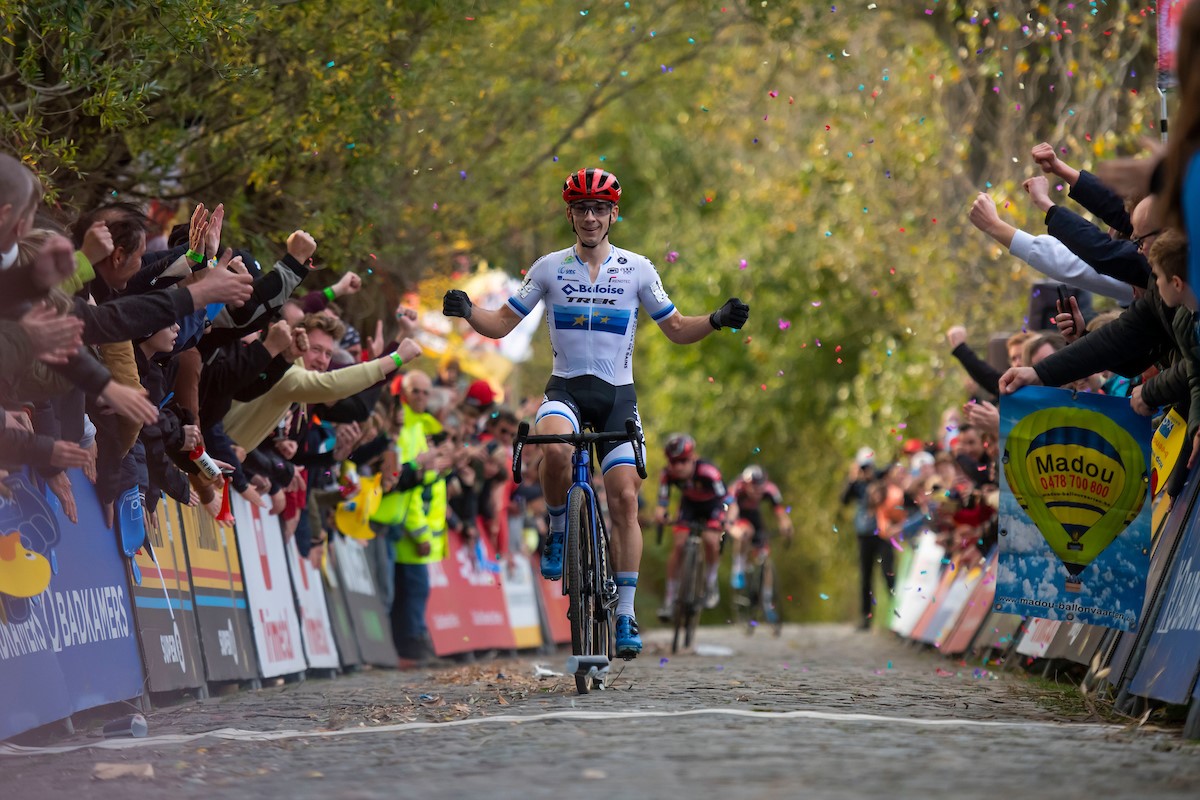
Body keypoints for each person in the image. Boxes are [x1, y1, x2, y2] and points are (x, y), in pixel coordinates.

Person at [442, 167, 749, 657]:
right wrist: (467, 311)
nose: (590, 216)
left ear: (613, 215)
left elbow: (675, 327)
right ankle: (560, 531)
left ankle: (625, 615)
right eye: (582, 208)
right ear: (570, 214)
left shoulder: (638, 269)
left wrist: (714, 320)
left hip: (616, 398)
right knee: (555, 446)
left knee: (626, 500)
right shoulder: (546, 268)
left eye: (599, 208)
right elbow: (501, 323)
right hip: (564, 388)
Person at [653, 433, 730, 620]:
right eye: (673, 461)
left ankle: (710, 584)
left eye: (683, 461)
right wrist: (661, 513)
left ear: (693, 458)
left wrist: (723, 519)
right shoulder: (667, 474)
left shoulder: (708, 472)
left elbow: (726, 499)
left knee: (711, 541)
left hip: (713, 506)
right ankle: (670, 599)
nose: (677, 466)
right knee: (679, 545)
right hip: (689, 506)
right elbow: (662, 502)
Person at [727, 464, 793, 590]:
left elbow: (779, 510)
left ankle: (767, 600)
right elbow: (731, 512)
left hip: (754, 516)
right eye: (754, 489)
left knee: (765, 557)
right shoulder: (737, 488)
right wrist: (731, 527)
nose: (757, 493)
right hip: (737, 515)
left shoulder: (770, 489)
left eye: (760, 489)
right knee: (746, 531)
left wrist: (786, 525)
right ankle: (738, 569)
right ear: (746, 485)